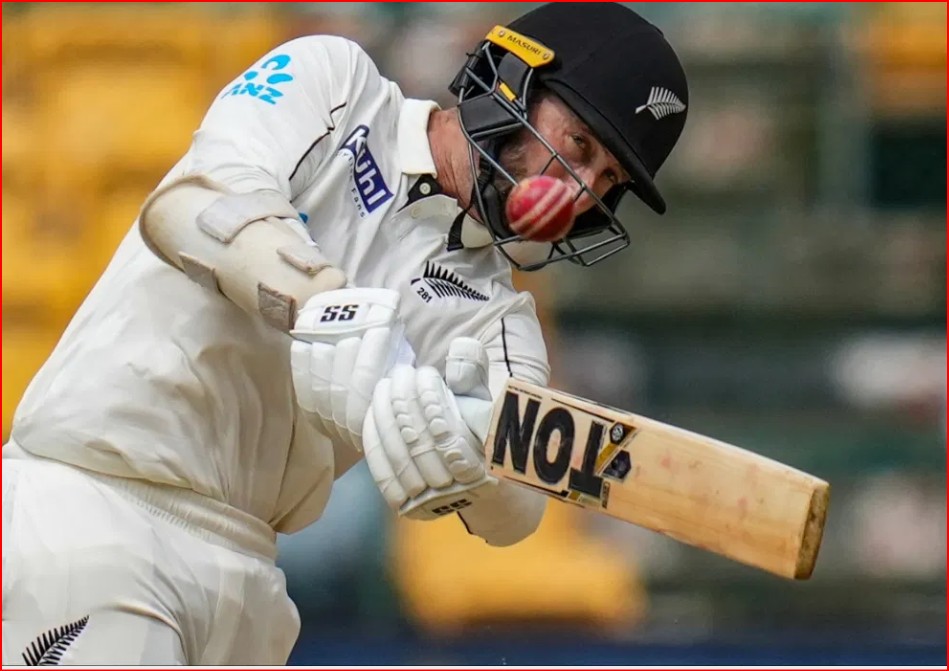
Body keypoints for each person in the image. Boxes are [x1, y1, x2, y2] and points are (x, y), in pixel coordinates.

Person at [2, 2, 688, 665]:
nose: (580, 191)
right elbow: (195, 205)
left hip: (250, 578)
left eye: (606, 178)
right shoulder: (339, 86)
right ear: (514, 78)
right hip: (98, 507)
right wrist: (325, 308)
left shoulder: (495, 317)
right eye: (578, 145)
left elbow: (519, 507)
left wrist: (462, 461)